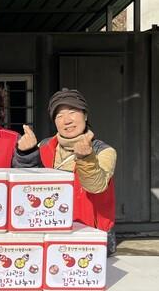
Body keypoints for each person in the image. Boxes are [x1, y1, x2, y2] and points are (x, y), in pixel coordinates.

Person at [14, 88, 117, 253]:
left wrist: (86, 158)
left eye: (72, 112)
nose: (67, 120)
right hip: (51, 232)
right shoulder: (43, 146)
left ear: (85, 115)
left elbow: (96, 186)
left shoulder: (104, 151)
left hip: (90, 236)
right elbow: (29, 186)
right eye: (59, 116)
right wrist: (25, 154)